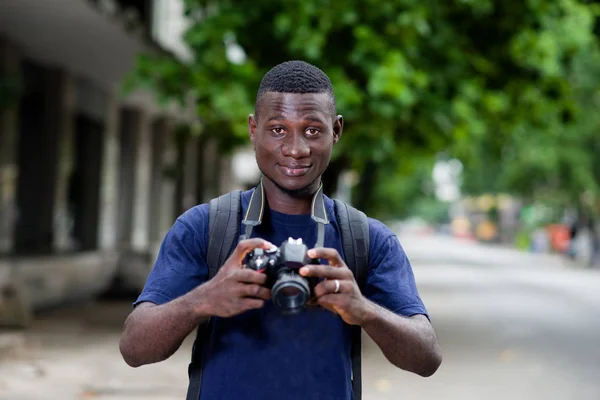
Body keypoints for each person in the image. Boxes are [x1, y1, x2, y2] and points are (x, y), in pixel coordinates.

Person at [119, 60, 442, 399]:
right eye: (277, 129)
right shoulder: (205, 227)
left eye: (313, 130)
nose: (295, 149)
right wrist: (204, 299)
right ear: (252, 128)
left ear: (337, 130)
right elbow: (134, 348)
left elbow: (427, 356)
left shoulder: (366, 238)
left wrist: (363, 310)